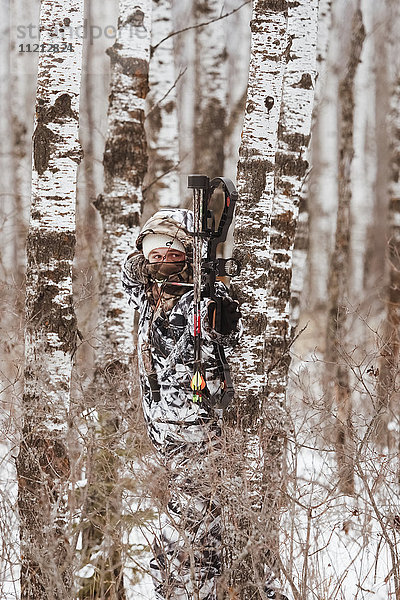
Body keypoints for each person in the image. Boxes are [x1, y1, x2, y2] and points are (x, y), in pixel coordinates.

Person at [122, 208, 241, 600]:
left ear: (187, 256)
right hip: (160, 428)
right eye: (154, 256)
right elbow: (129, 274)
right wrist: (152, 246)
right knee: (181, 522)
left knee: (196, 526)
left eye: (171, 254)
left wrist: (209, 291)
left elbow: (222, 338)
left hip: (197, 426)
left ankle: (195, 588)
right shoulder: (147, 294)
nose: (161, 262)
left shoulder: (202, 297)